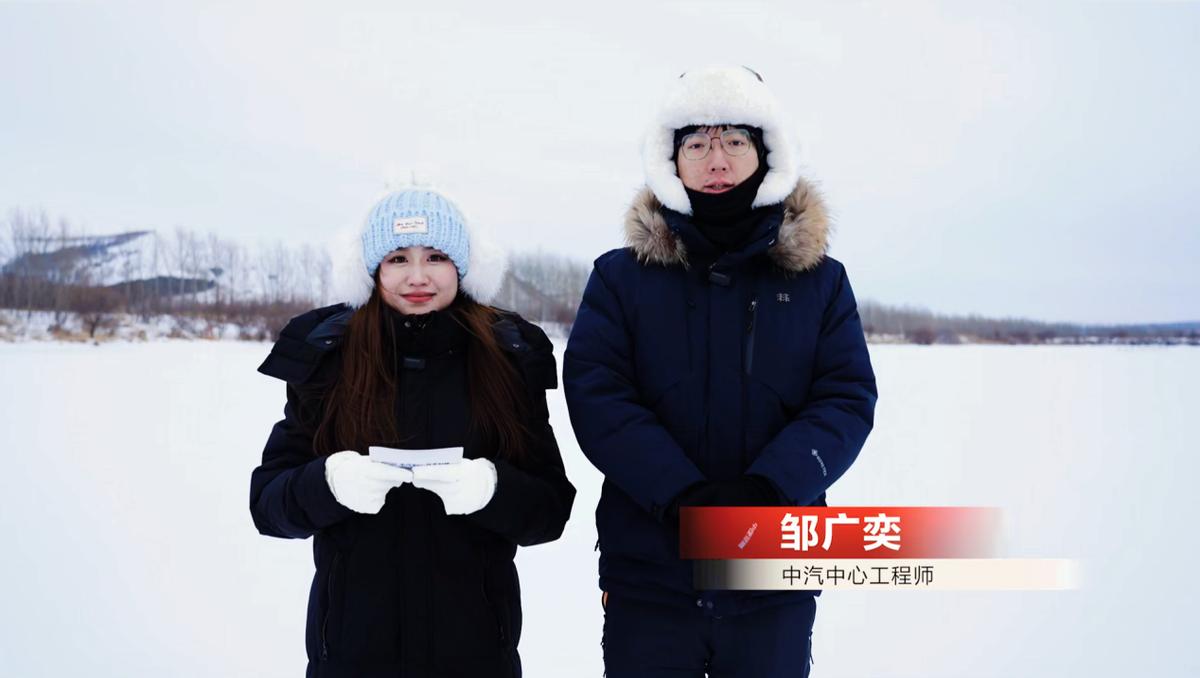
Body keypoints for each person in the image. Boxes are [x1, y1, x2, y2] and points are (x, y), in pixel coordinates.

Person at [563, 66, 878, 677]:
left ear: (766, 154)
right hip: (650, 574)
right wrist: (678, 494)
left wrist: (770, 490)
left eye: (735, 141)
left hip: (773, 573)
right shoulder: (620, 277)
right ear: (671, 160)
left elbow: (844, 399)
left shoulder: (820, 281)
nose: (717, 160)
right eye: (697, 144)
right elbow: (599, 396)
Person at [250, 187, 575, 678]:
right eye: (398, 258)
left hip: (478, 658)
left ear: (462, 266)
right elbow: (268, 504)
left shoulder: (509, 357)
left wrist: (492, 489)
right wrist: (328, 484)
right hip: (351, 658)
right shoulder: (328, 357)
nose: (418, 276)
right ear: (373, 269)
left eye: (436, 257)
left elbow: (550, 510)